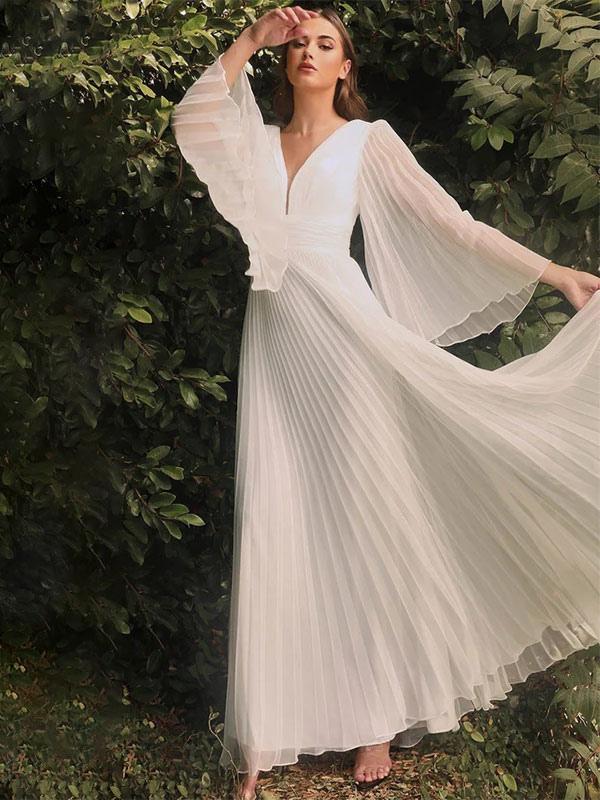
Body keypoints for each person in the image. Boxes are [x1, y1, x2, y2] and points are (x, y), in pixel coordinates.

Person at [171, 6, 600, 799]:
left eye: (326, 45)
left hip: (349, 341)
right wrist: (251, 37)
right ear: (284, 61)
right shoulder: (255, 144)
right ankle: (264, 732)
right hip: (276, 345)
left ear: (346, 69)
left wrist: (557, 274)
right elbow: (193, 121)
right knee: (273, 508)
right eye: (299, 43)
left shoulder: (367, 142)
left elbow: (454, 226)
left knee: (363, 512)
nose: (309, 52)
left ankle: (376, 718)